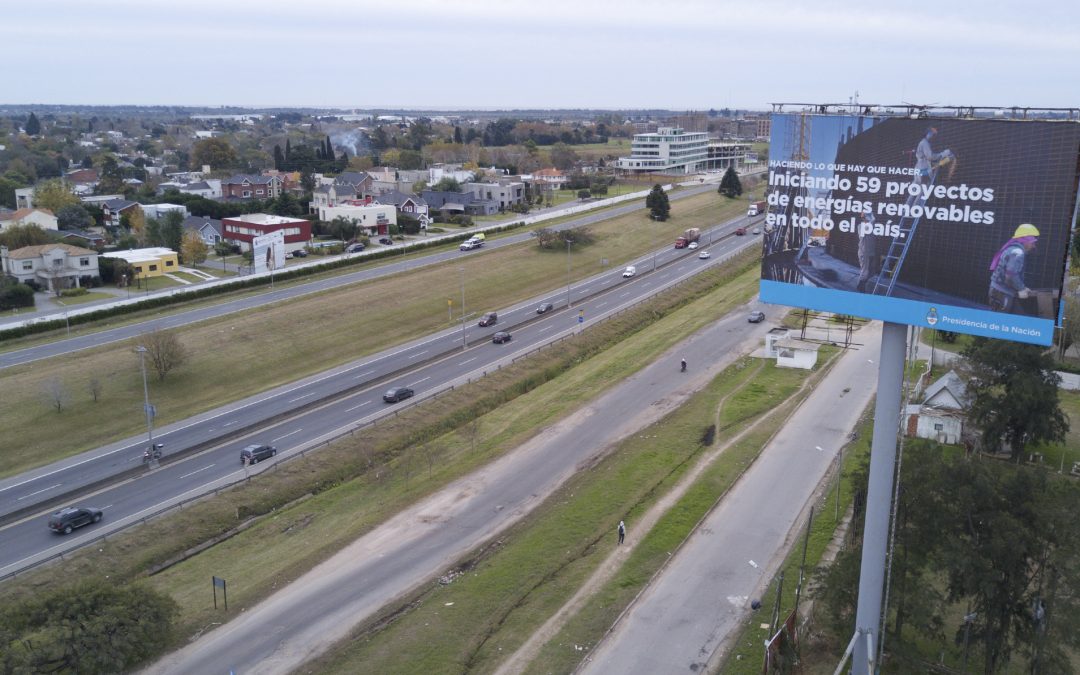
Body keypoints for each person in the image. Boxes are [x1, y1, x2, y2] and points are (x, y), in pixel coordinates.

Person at [988, 224, 1039, 314]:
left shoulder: (1011, 248)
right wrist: (1021, 288)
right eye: (1032, 242)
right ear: (1025, 241)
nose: (1034, 246)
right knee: (999, 322)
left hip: (999, 291)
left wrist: (1022, 288)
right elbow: (1011, 276)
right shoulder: (1018, 253)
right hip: (1002, 294)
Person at [856, 212, 879, 293]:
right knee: (865, 271)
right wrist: (871, 215)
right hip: (864, 252)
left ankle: (861, 284)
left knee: (872, 271)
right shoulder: (861, 226)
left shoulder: (871, 226)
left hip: (871, 252)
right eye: (865, 217)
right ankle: (861, 287)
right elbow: (873, 220)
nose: (866, 219)